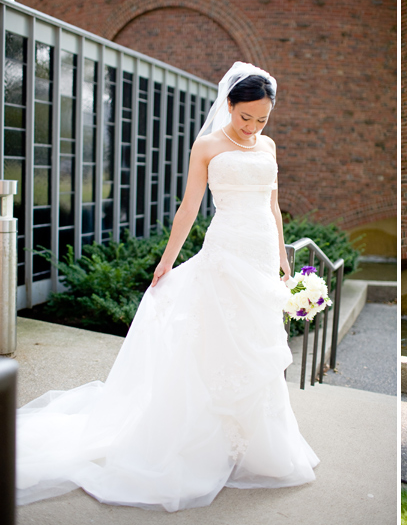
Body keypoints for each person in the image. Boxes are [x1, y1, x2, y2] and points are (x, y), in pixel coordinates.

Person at [16, 62, 319, 511]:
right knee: (218, 345)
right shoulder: (208, 145)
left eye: (262, 119)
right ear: (229, 106)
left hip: (258, 257)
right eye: (246, 117)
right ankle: (208, 447)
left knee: (256, 346)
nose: (254, 126)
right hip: (224, 252)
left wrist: (281, 260)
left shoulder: (269, 146)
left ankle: (256, 447)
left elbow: (273, 207)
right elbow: (188, 210)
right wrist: (166, 262)